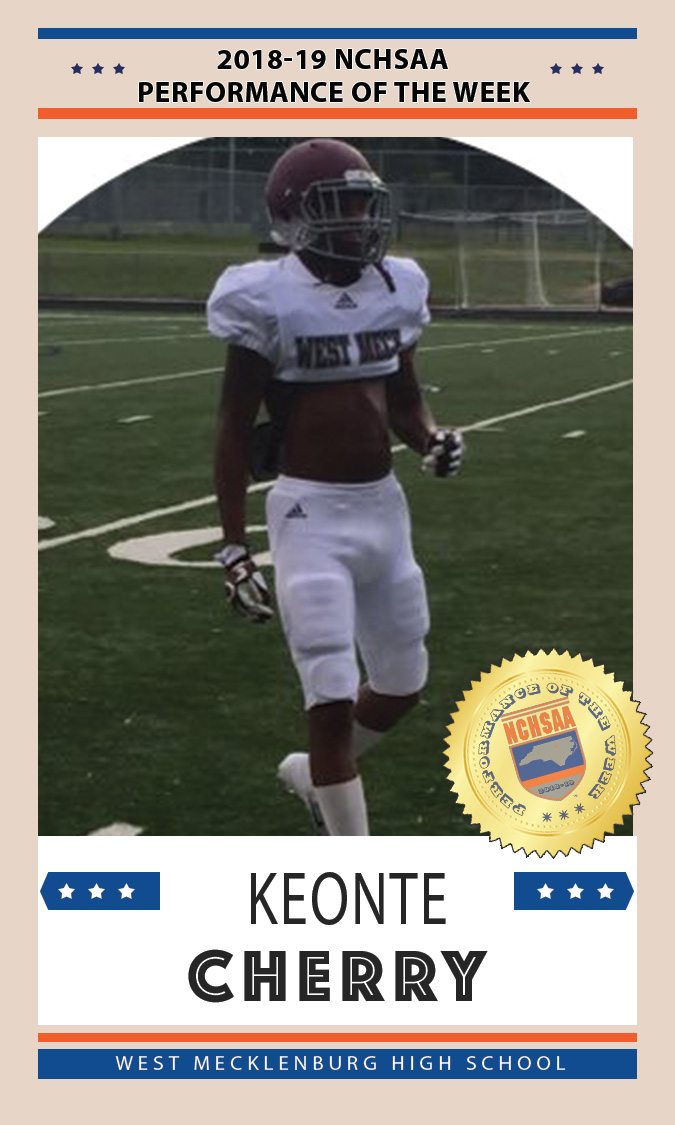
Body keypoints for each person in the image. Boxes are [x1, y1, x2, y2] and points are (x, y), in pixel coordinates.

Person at [207, 138, 464, 836]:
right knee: (327, 689)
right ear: (294, 216)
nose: (359, 220)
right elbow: (233, 428)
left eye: (363, 204)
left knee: (402, 683)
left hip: (383, 508)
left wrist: (432, 439)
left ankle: (312, 774)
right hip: (309, 514)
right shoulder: (265, 297)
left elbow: (405, 400)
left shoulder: (396, 285)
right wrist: (233, 547)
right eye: (341, 205)